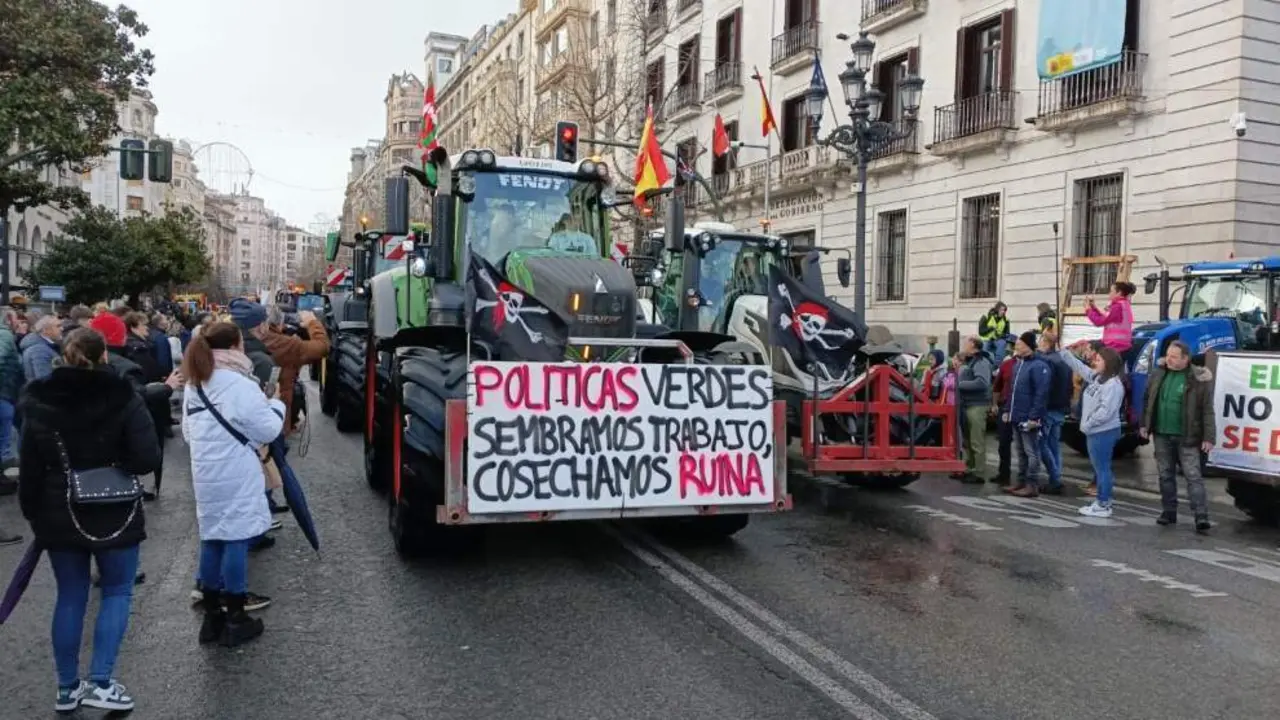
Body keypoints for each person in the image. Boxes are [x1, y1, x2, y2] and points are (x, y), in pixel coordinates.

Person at [17, 328, 161, 713]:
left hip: (56, 508)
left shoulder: (39, 399)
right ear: (104, 357)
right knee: (116, 591)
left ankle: (67, 687)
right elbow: (148, 456)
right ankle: (101, 681)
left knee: (70, 595)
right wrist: (117, 467)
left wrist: (34, 514)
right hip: (115, 508)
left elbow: (28, 465)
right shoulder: (122, 396)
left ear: (62, 356)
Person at [182, 322, 285, 647]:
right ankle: (236, 616)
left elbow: (188, 432)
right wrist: (277, 404)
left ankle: (212, 618)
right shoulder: (240, 385)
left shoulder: (195, 382)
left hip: (205, 473)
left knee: (212, 538)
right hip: (236, 472)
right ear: (236, 346)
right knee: (237, 539)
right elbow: (268, 429)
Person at [1140, 340, 1214, 532]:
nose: (1169, 359)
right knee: (1165, 475)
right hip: (1162, 434)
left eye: (1174, 357)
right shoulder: (1158, 374)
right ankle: (1168, 512)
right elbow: (1148, 400)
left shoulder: (1198, 379)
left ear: (1185, 359)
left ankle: (1201, 515)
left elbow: (1207, 410)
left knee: (1193, 476)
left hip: (1187, 435)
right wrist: (1144, 425)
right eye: (1168, 355)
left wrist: (1209, 437)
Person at [1060, 343, 1127, 517]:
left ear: (1109, 362)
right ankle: (1102, 501)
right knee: (1100, 468)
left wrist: (1088, 423)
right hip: (1095, 431)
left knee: (1102, 468)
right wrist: (1065, 354)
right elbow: (1081, 368)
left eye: (1099, 359)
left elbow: (1106, 411)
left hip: (1102, 431)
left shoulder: (1113, 385)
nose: (1094, 361)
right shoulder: (1098, 378)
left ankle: (1103, 503)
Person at [1003, 331, 1051, 497]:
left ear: (1028, 346)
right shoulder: (1019, 364)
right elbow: (1013, 390)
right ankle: (1021, 481)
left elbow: (1041, 394)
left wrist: (1034, 417)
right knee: (1021, 451)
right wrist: (1008, 410)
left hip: (1029, 417)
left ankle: (1032, 484)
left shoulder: (1039, 366)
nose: (1016, 346)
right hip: (1017, 415)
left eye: (1019, 344)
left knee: (1031, 452)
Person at [954, 336, 994, 484]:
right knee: (968, 440)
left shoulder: (981, 362)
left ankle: (978, 472)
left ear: (973, 345)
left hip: (977, 405)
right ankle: (970, 468)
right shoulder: (971, 361)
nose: (964, 345)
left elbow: (982, 383)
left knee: (976, 439)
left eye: (966, 342)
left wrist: (960, 384)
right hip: (967, 404)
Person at [1037, 331, 1072, 495]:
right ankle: (1056, 478)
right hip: (1061, 407)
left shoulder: (1047, 361)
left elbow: (1045, 387)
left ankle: (1055, 478)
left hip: (1048, 407)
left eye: (1040, 340)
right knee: (1054, 445)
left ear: (1045, 343)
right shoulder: (1063, 360)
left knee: (1041, 443)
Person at [0, 309, 23, 470]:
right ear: (8, 319)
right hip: (3, 394)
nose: (18, 322)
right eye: (15, 318)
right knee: (5, 442)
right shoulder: (4, 335)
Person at [1085, 281, 1136, 352]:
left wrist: (1088, 310)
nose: (1109, 293)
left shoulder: (1117, 307)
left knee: (1083, 347)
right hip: (1121, 344)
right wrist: (1094, 308)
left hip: (1114, 345)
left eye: (1111, 291)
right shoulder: (1124, 304)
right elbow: (1106, 317)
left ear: (1119, 293)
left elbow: (1099, 322)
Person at [990, 352, 1017, 485]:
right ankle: (1004, 474)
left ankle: (1027, 479)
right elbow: (997, 386)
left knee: (1026, 447)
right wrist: (995, 404)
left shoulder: (1032, 364)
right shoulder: (1007, 364)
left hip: (1021, 408)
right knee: (1003, 443)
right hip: (1005, 407)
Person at [123, 312, 163, 383]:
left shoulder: (133, 343)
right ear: (133, 328)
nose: (147, 328)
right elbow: (150, 372)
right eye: (144, 325)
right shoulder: (139, 348)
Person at [22, 314, 63, 382]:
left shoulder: (43, 346)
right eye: (58, 326)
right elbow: (45, 381)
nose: (62, 328)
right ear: (45, 330)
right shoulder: (40, 351)